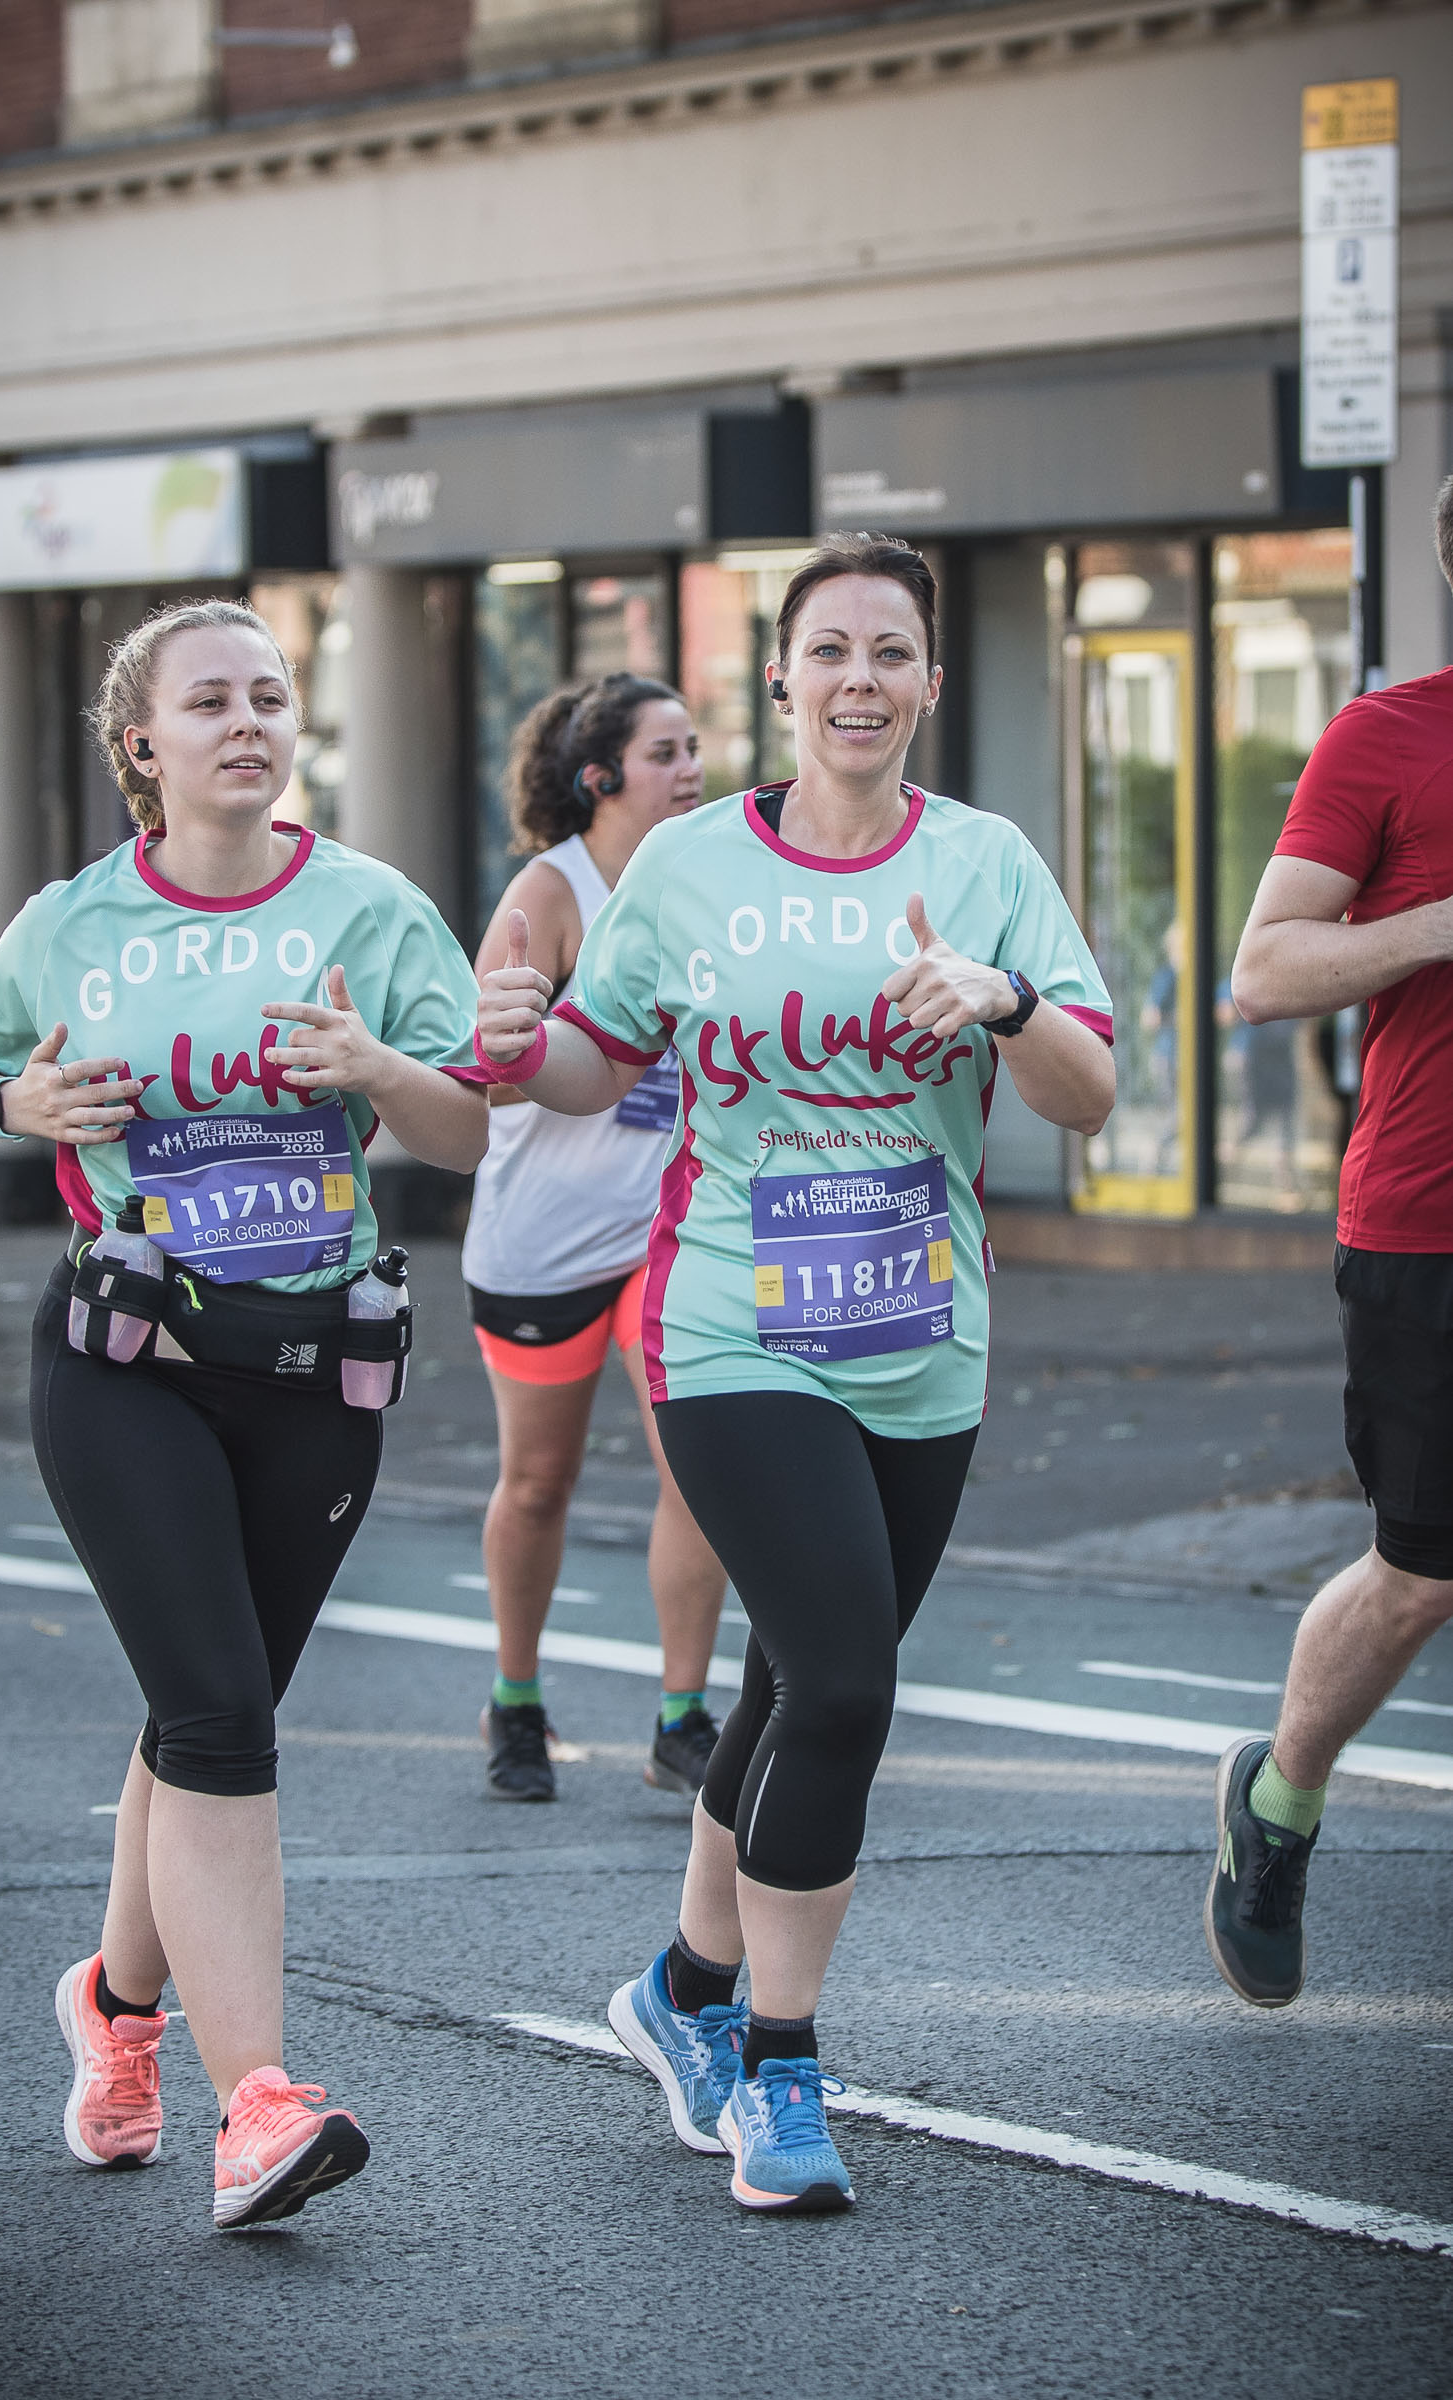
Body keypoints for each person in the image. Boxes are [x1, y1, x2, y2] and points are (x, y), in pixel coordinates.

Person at [475, 531, 1114, 2212]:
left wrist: (995, 999)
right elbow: (585, 1062)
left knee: (784, 1684)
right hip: (728, 1321)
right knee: (841, 1686)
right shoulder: (687, 866)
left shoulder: (985, 862)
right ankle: (777, 2065)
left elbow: (1087, 1091)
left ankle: (675, 1990)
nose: (857, 680)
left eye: (887, 653)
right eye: (827, 650)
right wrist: (502, 1032)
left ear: (924, 680)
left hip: (922, 1337)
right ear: (780, 676)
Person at [0, 598, 487, 2227]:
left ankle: (116, 2006)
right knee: (227, 1718)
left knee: (201, 1714)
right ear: (141, 745)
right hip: (123, 1363)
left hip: (313, 1371)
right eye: (209, 700)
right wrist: (18, 1103)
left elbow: (466, 1135)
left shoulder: (368, 909)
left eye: (271, 694)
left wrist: (373, 1067)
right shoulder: (77, 921)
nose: (249, 719)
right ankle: (259, 2107)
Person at [1205, 475, 1453, 2008]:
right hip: (1427, 1220)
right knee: (1423, 1569)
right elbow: (1262, 967)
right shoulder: (1386, 738)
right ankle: (1279, 1799)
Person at [462, 674, 728, 1801]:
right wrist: (554, 1048)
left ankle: (682, 1713)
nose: (693, 770)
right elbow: (480, 1074)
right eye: (667, 752)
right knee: (537, 1483)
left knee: (703, 1469)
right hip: (538, 1243)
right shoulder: (551, 892)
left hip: (664, 1236)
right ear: (599, 780)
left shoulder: (709, 879)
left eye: (695, 747)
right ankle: (515, 1700)